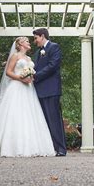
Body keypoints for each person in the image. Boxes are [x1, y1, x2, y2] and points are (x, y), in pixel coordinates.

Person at [0, 37, 56, 157]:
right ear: (20, 44)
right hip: (16, 87)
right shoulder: (15, 56)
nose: (29, 43)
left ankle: (32, 147)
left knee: (29, 115)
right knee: (14, 114)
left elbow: (32, 72)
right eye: (26, 41)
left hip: (29, 89)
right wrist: (21, 78)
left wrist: (30, 78)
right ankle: (10, 147)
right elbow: (8, 72)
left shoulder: (29, 59)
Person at [32, 28, 67, 156]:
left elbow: (53, 66)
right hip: (39, 91)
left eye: (36, 38)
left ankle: (61, 149)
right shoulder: (37, 53)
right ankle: (51, 148)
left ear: (42, 36)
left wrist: (36, 76)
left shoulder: (54, 47)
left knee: (54, 120)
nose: (35, 41)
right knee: (45, 121)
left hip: (51, 90)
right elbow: (34, 68)